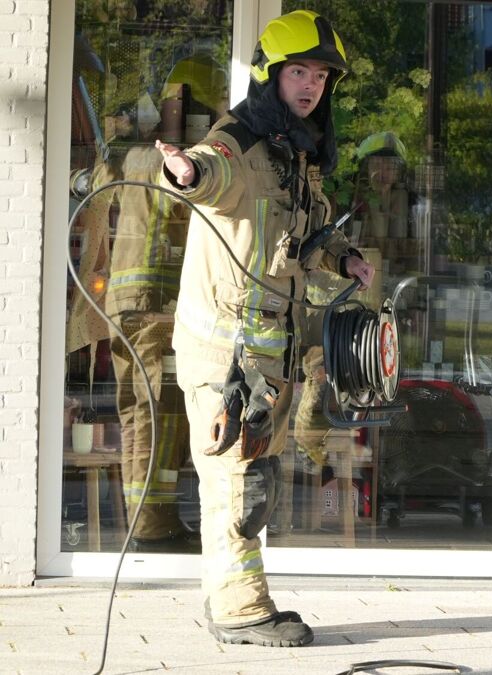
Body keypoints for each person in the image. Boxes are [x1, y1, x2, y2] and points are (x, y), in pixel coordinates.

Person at [156, 10, 374, 648]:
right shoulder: (241, 140)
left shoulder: (296, 154)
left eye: (321, 77)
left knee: (255, 478)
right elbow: (210, 171)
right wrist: (186, 171)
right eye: (299, 72)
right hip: (224, 355)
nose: (311, 86)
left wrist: (344, 259)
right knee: (235, 480)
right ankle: (240, 611)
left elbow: (303, 234)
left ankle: (235, 598)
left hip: (266, 357)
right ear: (269, 75)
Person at [103, 52, 229, 553]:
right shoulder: (162, 161)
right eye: (208, 114)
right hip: (150, 304)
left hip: (141, 303)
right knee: (153, 411)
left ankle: (156, 520)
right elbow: (186, 201)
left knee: (156, 410)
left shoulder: (135, 154)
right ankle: (150, 528)